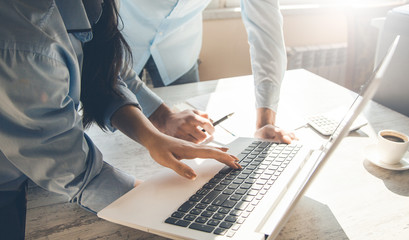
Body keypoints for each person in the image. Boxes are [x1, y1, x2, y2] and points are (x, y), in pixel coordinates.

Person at [0, 0, 241, 238]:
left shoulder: (85, 8)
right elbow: (75, 172)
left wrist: (152, 137)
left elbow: (102, 73)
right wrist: (180, 211)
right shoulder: (25, 40)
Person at [119, 0, 297, 143]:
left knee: (190, 137)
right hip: (120, 46)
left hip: (179, 51)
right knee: (120, 137)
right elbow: (100, 46)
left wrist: (265, 122)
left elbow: (266, 34)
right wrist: (162, 117)